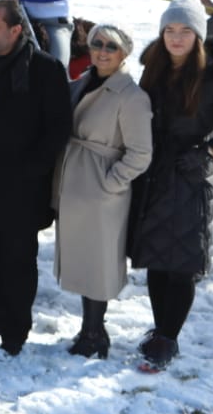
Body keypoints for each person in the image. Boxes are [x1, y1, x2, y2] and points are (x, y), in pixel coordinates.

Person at [129, 0, 213, 371]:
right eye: (170, 30)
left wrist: (210, 152)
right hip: (153, 173)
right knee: (157, 258)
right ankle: (159, 330)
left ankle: (168, 339)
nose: (176, 37)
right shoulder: (153, 69)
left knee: (182, 263)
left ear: (198, 36)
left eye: (185, 30)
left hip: (190, 176)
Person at [0, 0, 72, 356]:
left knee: (19, 258)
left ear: (15, 30)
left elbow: (58, 130)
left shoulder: (45, 69)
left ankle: (16, 328)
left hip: (25, 185)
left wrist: (31, 171)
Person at [52, 24, 153, 359]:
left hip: (101, 190)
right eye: (97, 43)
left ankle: (94, 333)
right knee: (84, 261)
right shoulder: (80, 83)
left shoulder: (132, 96)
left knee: (100, 264)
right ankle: (89, 329)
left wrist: (109, 184)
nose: (103, 51)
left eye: (111, 46)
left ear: (123, 53)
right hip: (75, 182)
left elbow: (141, 153)